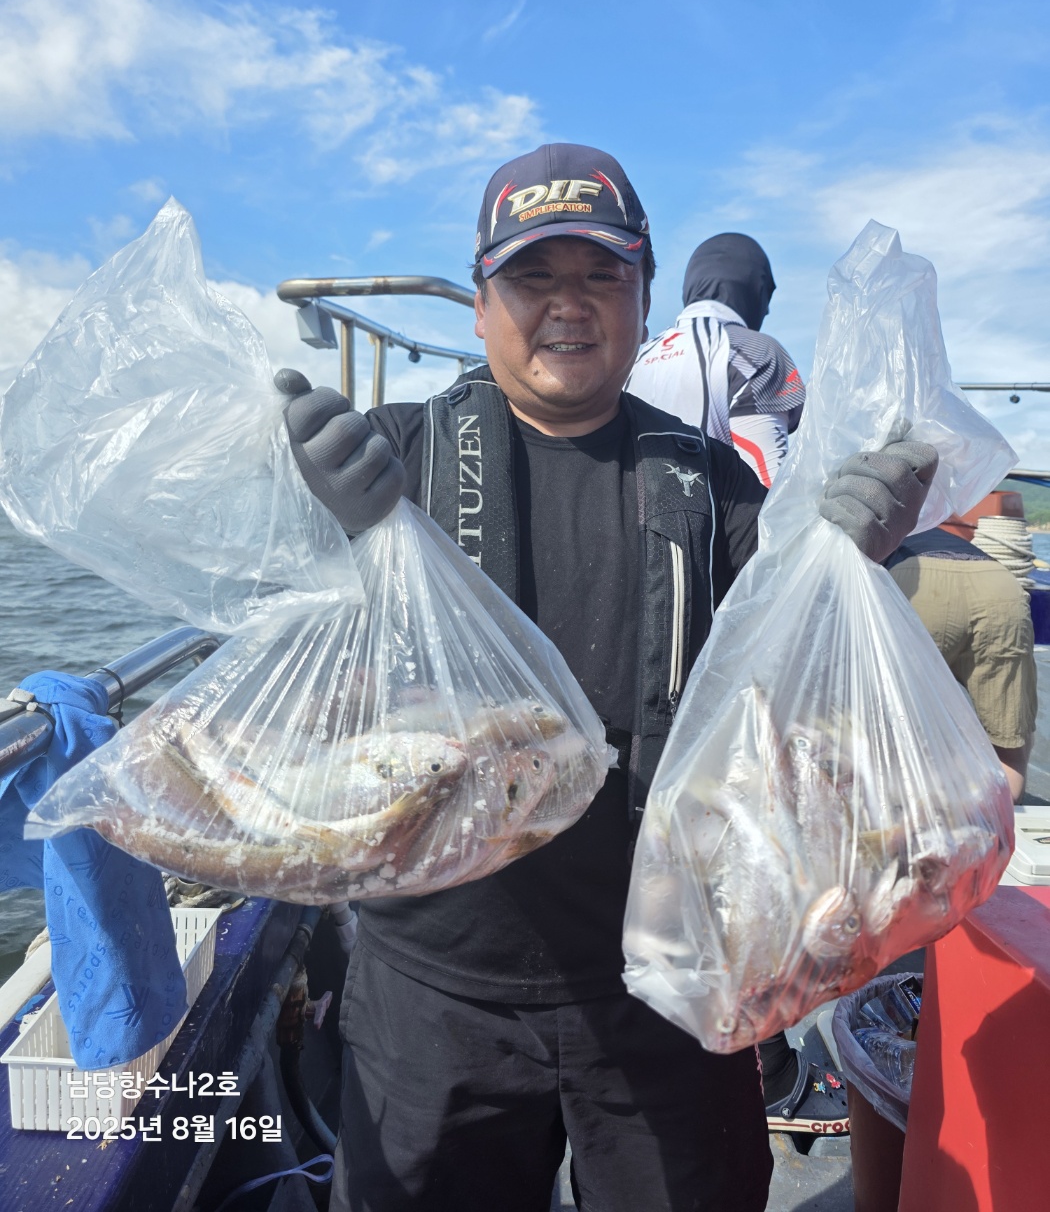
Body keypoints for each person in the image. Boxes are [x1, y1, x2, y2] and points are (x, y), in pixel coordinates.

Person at [275, 142, 937, 1212]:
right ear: (481, 303)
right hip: (432, 993)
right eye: (533, 277)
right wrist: (312, 516)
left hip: (671, 985)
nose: (568, 305)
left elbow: (804, 665)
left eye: (601, 275)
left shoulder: (717, 487)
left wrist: (848, 551)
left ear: (643, 297)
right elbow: (276, 652)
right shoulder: (388, 459)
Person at [626, 233, 804, 488]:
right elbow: (769, 486)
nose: (767, 310)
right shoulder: (755, 351)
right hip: (715, 512)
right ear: (755, 289)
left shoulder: (636, 357)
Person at [886, 526, 1037, 801]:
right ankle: (993, 816)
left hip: (916, 580)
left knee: (895, 727)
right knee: (1008, 749)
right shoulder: (939, 531)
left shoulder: (873, 532)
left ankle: (914, 816)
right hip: (998, 584)